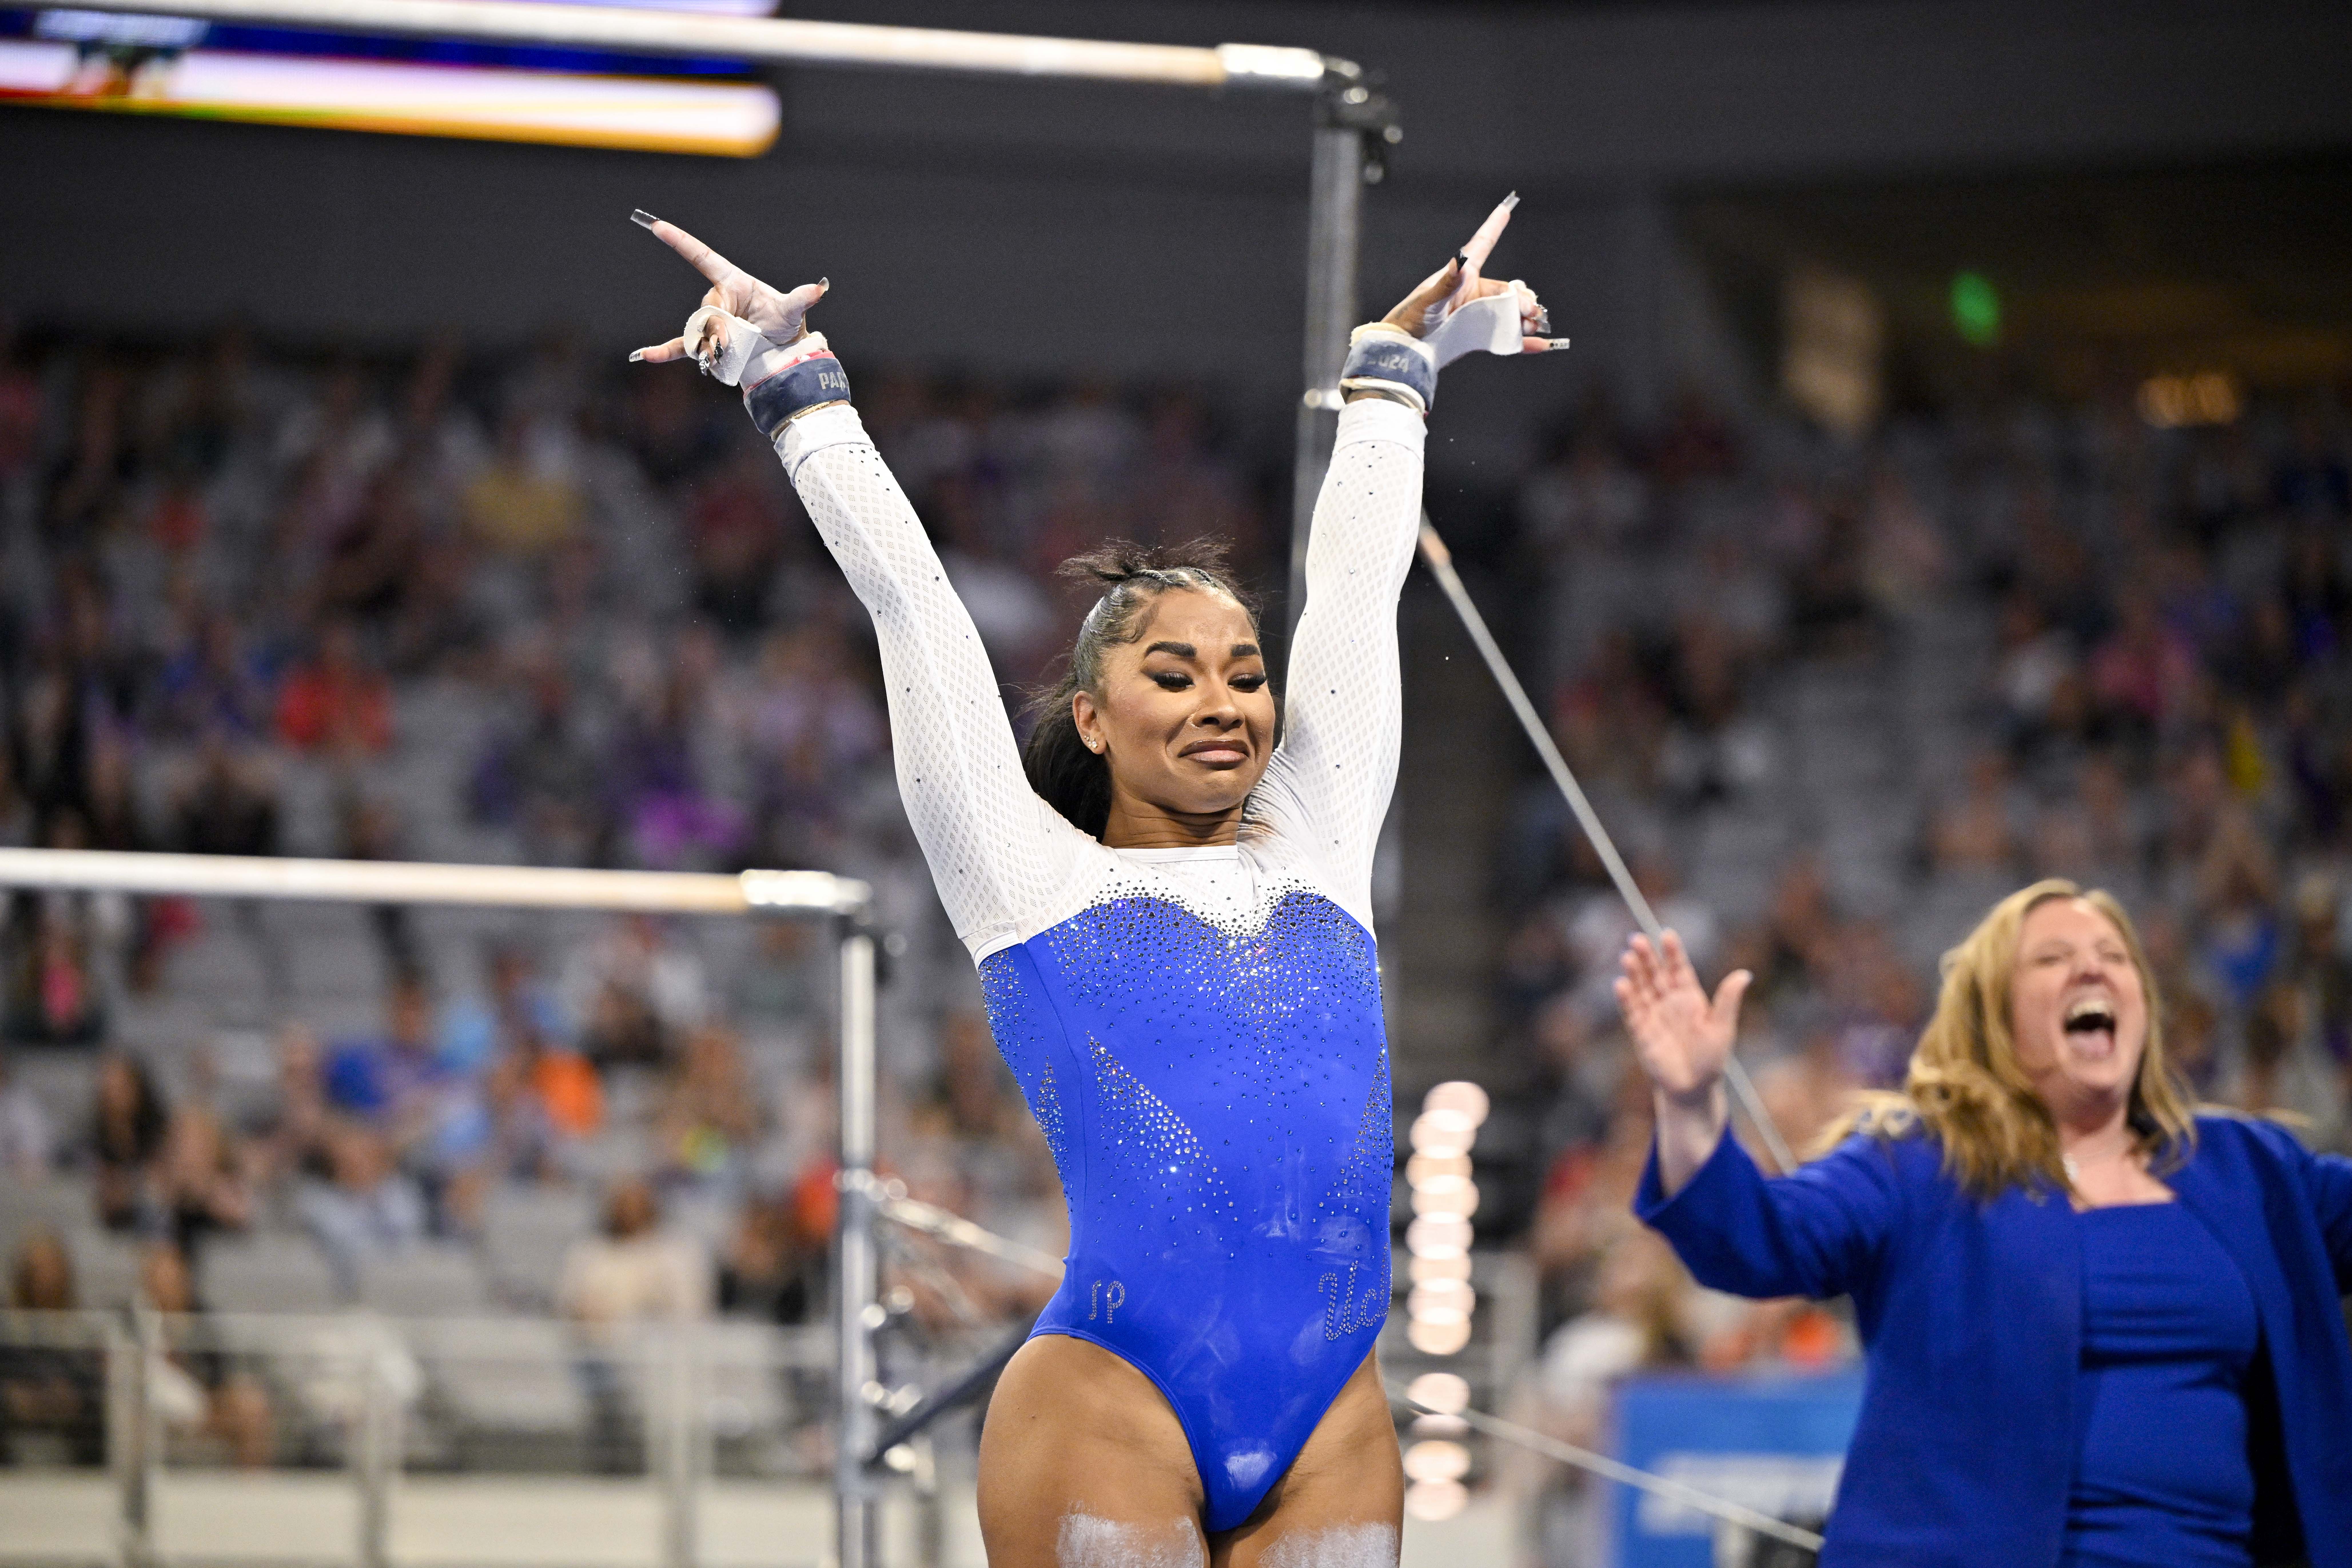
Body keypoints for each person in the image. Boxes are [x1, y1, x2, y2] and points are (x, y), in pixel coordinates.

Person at [629, 195, 1561, 1564]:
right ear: (1090, 713)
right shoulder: (1023, 872)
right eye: (1171, 676)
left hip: (1331, 1415)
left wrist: (1393, 377)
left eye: (1244, 673)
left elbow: (1356, 597)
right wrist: (794, 389)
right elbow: (916, 611)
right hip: (1109, 1392)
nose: (1225, 702)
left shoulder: (1321, 833)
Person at [1617, 878, 2352, 1567]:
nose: (2091, 971)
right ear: (1996, 1016)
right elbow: (1758, 1240)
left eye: (2113, 957)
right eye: (2053, 959)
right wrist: (1688, 1106)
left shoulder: (2250, 1170)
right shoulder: (1920, 1165)